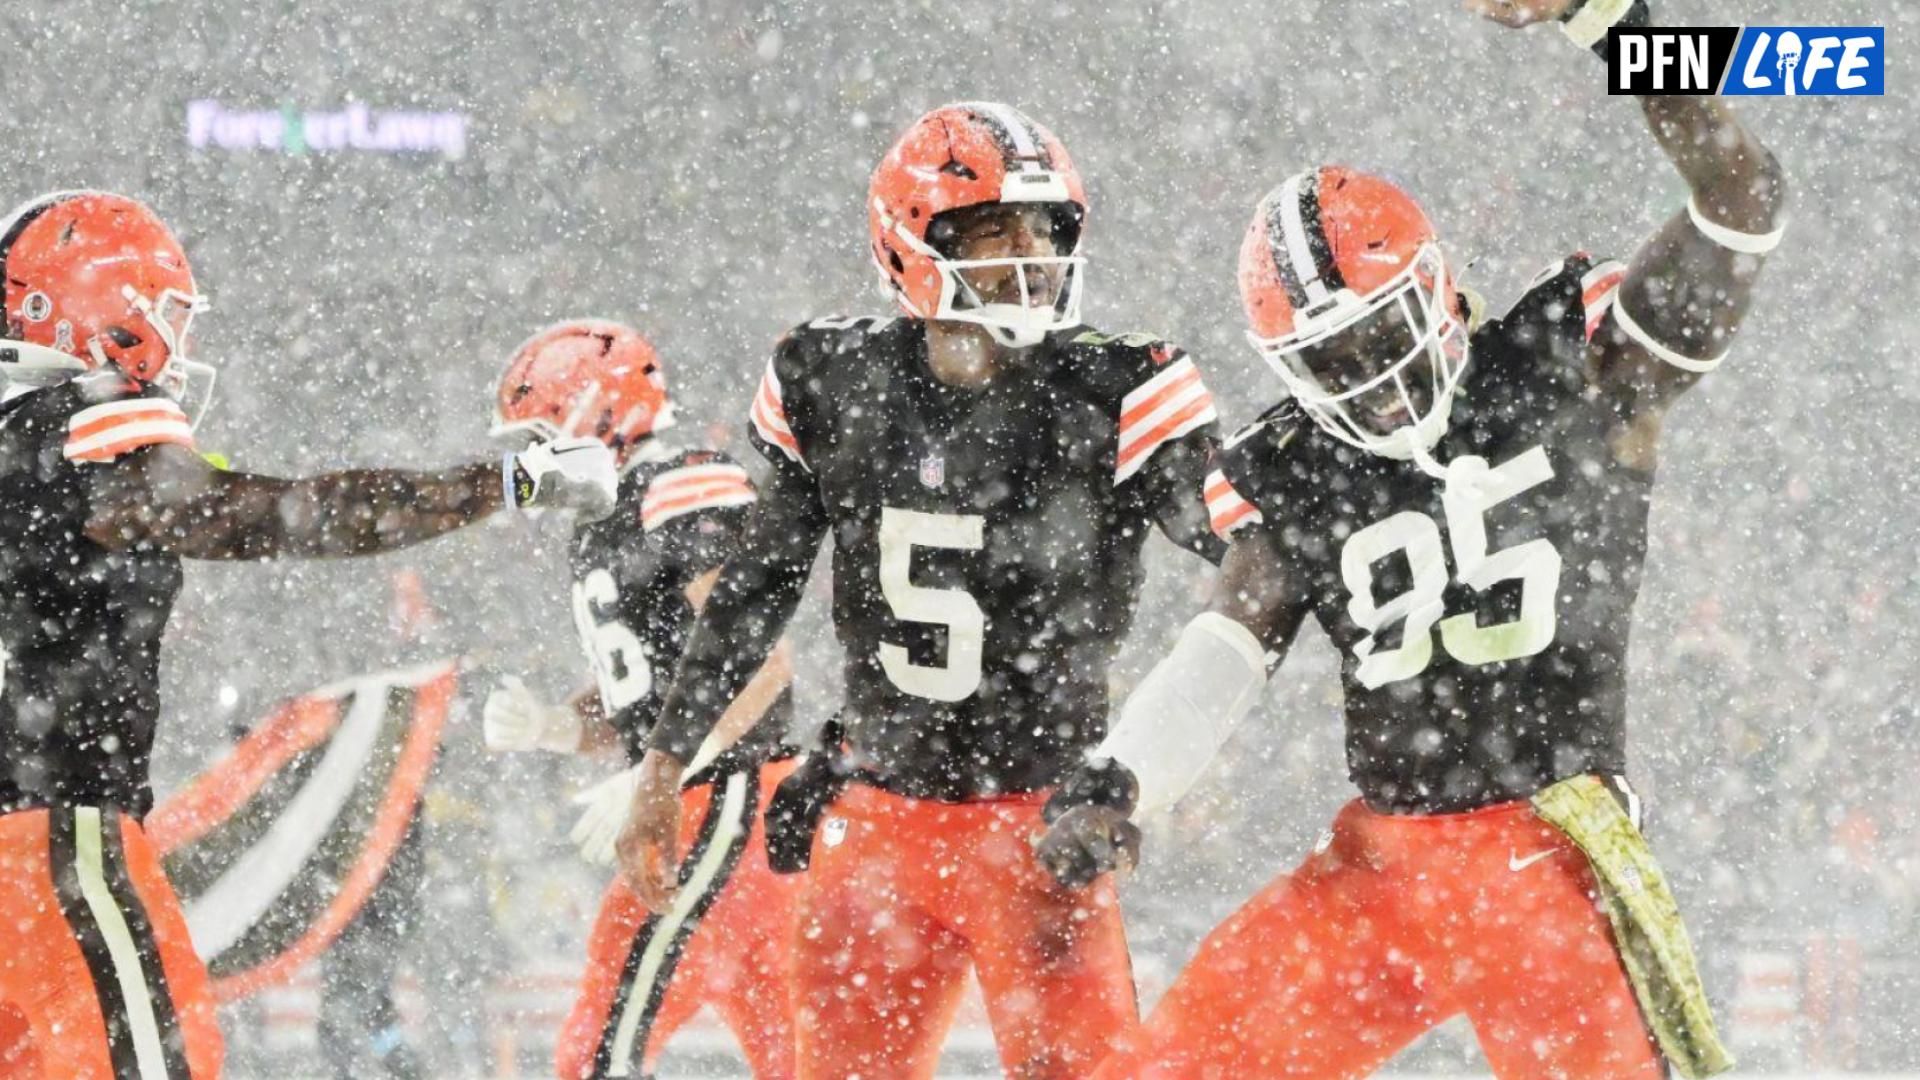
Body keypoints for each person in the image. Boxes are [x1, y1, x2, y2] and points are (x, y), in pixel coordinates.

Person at [1038, 2, 1788, 1076]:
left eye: (1382, 334)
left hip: (1548, 851)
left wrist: (1608, 19)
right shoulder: (1292, 465)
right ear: (1289, 370)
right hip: (1380, 866)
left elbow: (1740, 196)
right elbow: (1228, 649)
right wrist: (1119, 778)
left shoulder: (1570, 362)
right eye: (1333, 359)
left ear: (1438, 288)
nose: (1373, 381)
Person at [615, 102, 1225, 1080]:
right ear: (911, 242)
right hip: (878, 822)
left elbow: (1245, 552)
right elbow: (756, 587)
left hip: (1040, 824)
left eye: (1043, 231)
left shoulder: (1118, 386)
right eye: (995, 233)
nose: (1028, 257)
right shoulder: (832, 377)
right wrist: (661, 767)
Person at [0, 189, 615, 1079]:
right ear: (92, 309)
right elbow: (286, 515)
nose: (177, 339)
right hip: (55, 843)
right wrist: (505, 483)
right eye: (161, 313)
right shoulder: (81, 423)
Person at [484, 319, 799, 1079]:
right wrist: (558, 727)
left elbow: (758, 661)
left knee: (601, 1042)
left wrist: (661, 769)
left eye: (540, 433)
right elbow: (647, 689)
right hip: (733, 799)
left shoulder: (681, 482)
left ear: (597, 416)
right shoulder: (609, 519)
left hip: (723, 797)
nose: (531, 460)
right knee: (802, 1051)